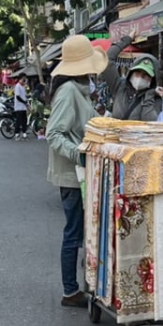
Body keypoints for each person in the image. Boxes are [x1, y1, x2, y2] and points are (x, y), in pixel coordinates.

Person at [45, 35, 104, 308]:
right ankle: (70, 290)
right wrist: (78, 153)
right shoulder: (69, 91)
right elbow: (54, 133)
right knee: (74, 233)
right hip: (73, 175)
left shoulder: (78, 89)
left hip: (82, 173)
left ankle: (85, 284)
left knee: (83, 232)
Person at [103, 34, 163, 121]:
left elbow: (149, 122)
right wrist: (127, 40)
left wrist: (149, 95)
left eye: (146, 75)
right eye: (138, 72)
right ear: (131, 72)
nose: (140, 77)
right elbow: (108, 59)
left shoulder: (155, 99)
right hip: (115, 134)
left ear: (152, 79)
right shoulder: (119, 87)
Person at [12, 76, 30, 140]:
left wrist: (26, 103)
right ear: (20, 79)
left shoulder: (23, 87)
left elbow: (24, 96)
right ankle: (16, 134)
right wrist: (24, 102)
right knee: (18, 121)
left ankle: (24, 133)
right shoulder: (17, 86)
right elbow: (18, 97)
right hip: (18, 107)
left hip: (23, 107)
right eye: (23, 79)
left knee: (24, 120)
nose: (24, 81)